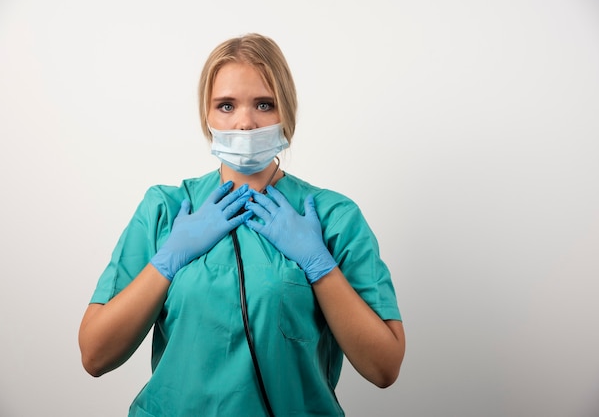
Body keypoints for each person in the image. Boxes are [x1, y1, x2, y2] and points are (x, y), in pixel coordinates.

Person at [79, 33, 405, 417]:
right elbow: (95, 355)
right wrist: (168, 259)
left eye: (264, 104)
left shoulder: (331, 217)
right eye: (226, 105)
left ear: (287, 111)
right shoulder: (167, 209)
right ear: (207, 116)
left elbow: (384, 367)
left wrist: (319, 264)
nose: (246, 122)